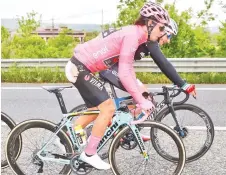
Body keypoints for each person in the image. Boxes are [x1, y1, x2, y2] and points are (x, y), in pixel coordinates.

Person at [65, 1, 194, 170]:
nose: (163, 33)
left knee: (102, 110)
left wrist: (139, 97)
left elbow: (128, 70)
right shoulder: (134, 35)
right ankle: (89, 154)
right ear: (150, 23)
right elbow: (124, 73)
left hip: (85, 68)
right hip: (80, 68)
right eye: (162, 29)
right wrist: (140, 100)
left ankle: (68, 138)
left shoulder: (138, 35)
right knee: (109, 107)